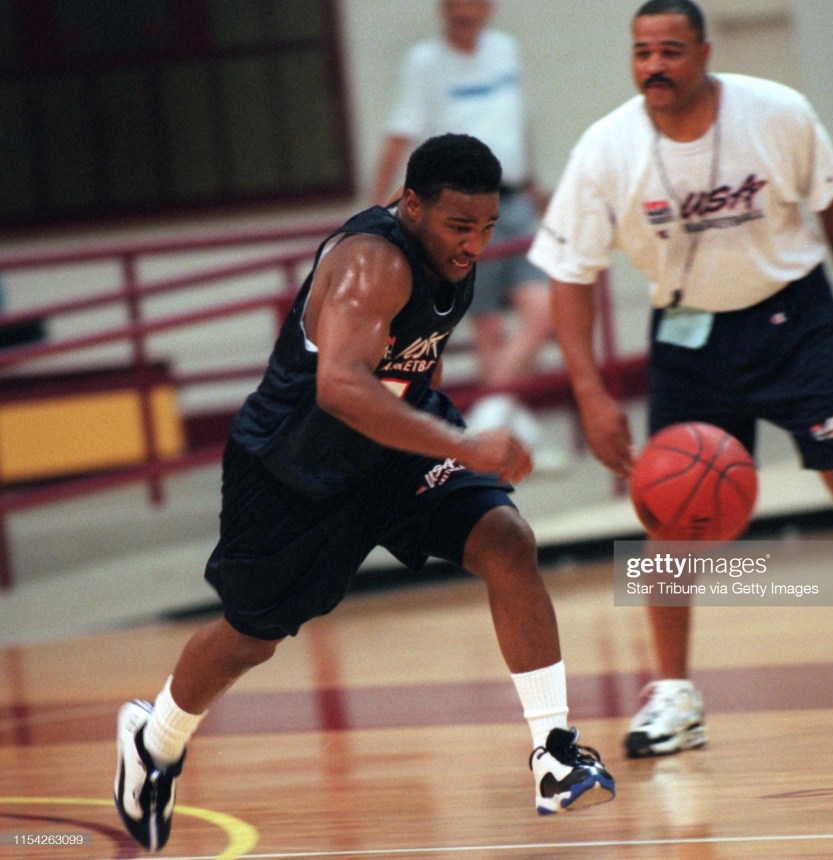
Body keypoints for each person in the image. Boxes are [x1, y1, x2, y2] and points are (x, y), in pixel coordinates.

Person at [113, 134, 614, 852]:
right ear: (411, 205)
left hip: (396, 449)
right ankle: (154, 739)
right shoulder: (370, 264)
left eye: (485, 227)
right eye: (459, 227)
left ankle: (554, 754)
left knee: (507, 541)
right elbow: (341, 388)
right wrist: (467, 445)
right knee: (250, 638)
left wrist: (445, 444)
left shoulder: (450, 254)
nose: (475, 245)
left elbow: (407, 365)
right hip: (296, 466)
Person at [528, 0, 833, 759]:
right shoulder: (605, 149)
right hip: (689, 336)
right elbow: (570, 277)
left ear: (705, 53)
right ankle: (675, 696)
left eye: (670, 51)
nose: (654, 66)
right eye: (642, 52)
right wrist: (590, 393)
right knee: (668, 517)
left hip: (794, 319)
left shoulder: (777, 112)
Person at [371, 0, 559, 462]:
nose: (464, 12)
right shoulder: (424, 62)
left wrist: (532, 182)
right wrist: (375, 219)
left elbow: (517, 122)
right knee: (488, 326)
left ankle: (488, 422)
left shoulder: (505, 50)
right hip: (458, 212)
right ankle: (506, 440)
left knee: (542, 312)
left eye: (472, 3)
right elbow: (398, 137)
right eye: (454, 3)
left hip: (513, 201)